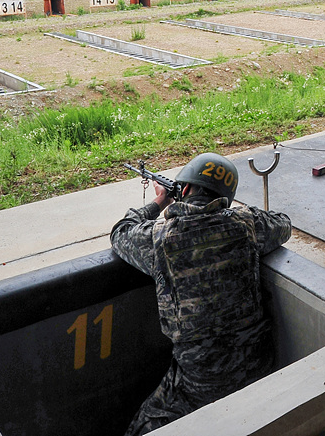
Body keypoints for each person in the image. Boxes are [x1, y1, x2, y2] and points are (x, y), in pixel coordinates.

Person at [111, 153, 292, 436]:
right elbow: (282, 223)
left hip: (202, 378)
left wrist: (160, 202)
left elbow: (121, 232)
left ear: (184, 190)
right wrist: (232, 212)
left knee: (141, 428)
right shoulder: (246, 223)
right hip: (258, 364)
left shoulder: (159, 236)